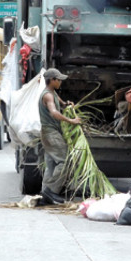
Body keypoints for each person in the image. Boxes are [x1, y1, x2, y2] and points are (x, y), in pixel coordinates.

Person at [39, 68, 81, 204]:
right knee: (64, 161)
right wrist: (71, 121)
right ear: (52, 80)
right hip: (50, 133)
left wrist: (66, 104)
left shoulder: (53, 93)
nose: (61, 82)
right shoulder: (47, 95)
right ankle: (50, 191)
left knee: (50, 164)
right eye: (59, 80)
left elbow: (61, 103)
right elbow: (54, 113)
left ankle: (44, 194)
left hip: (49, 132)